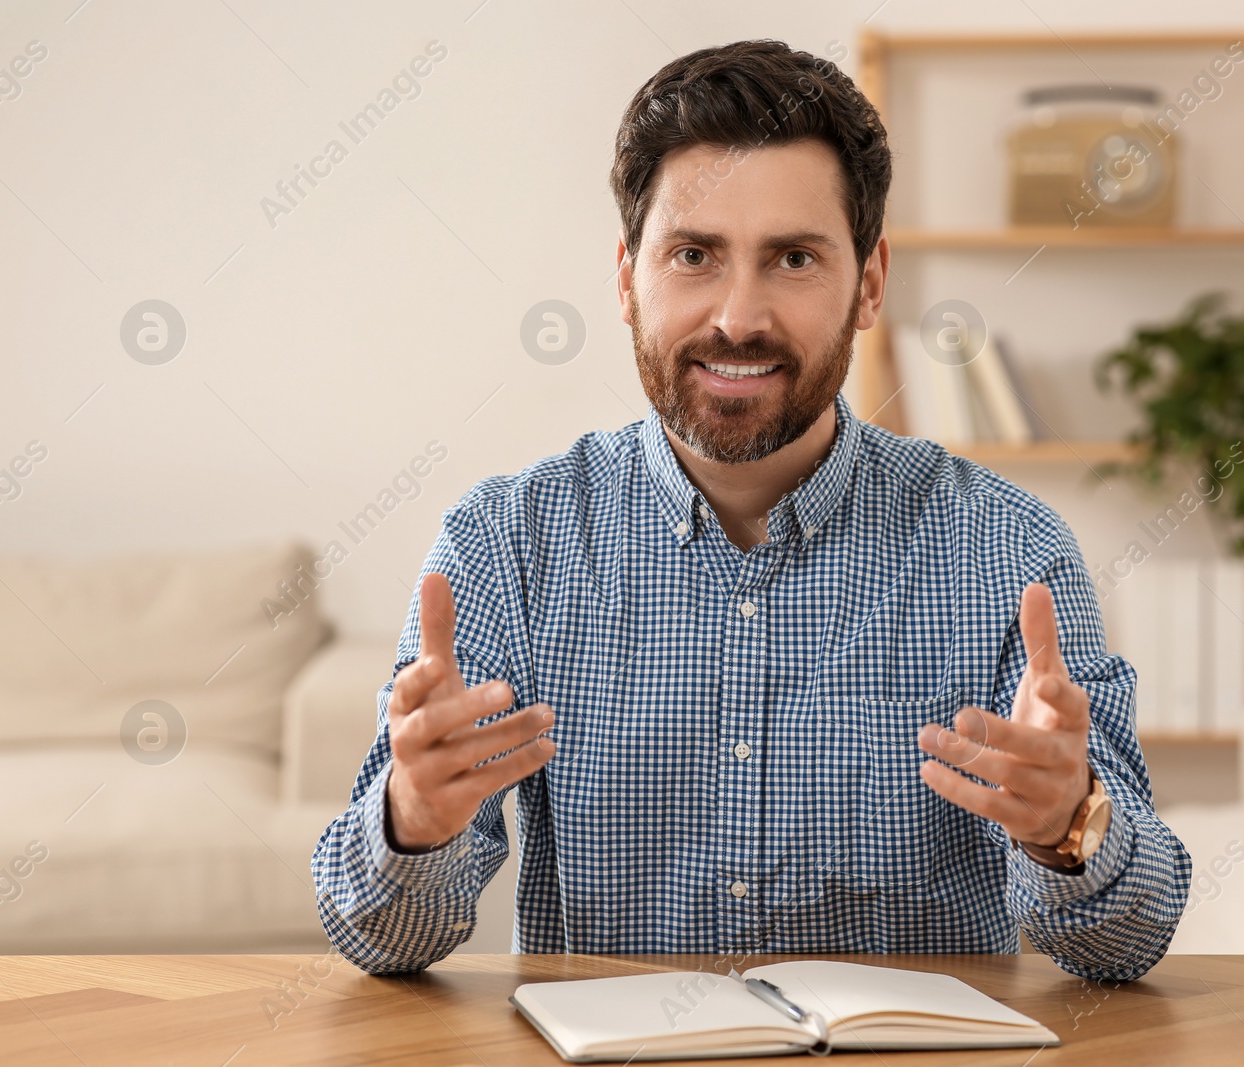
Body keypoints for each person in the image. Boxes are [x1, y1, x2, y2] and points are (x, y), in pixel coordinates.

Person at [312, 38, 1192, 981]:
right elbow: (377, 940)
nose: (739, 315)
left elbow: (1129, 947)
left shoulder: (1011, 550)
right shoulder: (504, 543)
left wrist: (1070, 825)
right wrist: (412, 820)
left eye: (793, 258)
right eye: (694, 254)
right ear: (625, 278)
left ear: (870, 283)